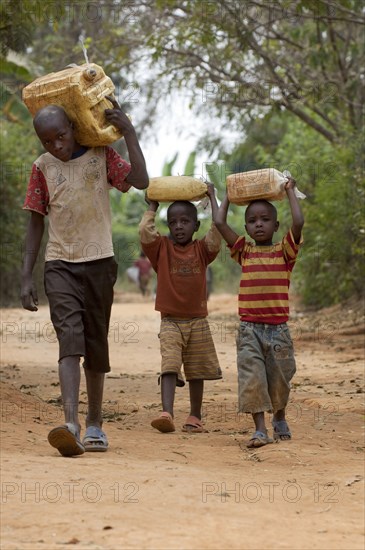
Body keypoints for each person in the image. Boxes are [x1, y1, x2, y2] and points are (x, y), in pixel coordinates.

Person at [20, 98, 149, 456]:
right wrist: (26, 276)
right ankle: (71, 425)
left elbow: (140, 180)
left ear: (73, 129)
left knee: (95, 343)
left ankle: (95, 424)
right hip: (59, 264)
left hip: (100, 263)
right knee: (69, 342)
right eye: (47, 142)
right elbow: (35, 222)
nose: (55, 146)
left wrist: (129, 133)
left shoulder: (101, 155)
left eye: (60, 137)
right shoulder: (41, 167)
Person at [210, 178, 304, 447]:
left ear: (276, 226)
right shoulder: (245, 252)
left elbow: (298, 223)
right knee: (252, 379)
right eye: (252, 220)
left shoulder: (284, 252)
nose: (258, 224)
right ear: (246, 228)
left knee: (280, 379)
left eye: (264, 220)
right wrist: (225, 195)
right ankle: (260, 429)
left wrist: (289, 192)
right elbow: (219, 223)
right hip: (249, 329)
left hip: (279, 331)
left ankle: (280, 416)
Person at [139, 184, 222, 433]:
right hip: (171, 321)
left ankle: (195, 416)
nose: (178, 226)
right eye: (173, 222)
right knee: (170, 366)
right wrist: (152, 206)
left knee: (196, 371)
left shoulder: (202, 250)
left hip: (198, 320)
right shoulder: (160, 249)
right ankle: (167, 413)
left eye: (185, 221)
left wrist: (212, 197)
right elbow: (145, 231)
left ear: (196, 226)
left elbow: (217, 229)